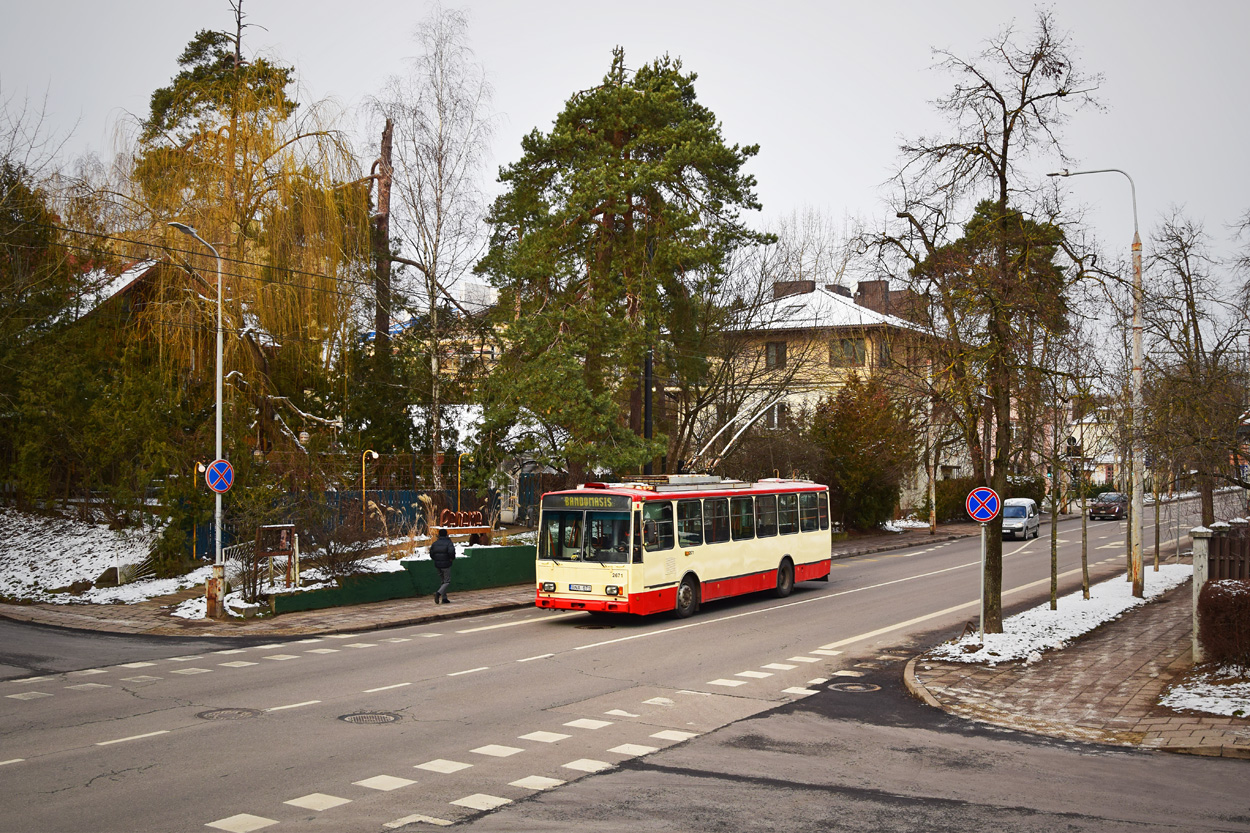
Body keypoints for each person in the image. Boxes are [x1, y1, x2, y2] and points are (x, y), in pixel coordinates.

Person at [430, 528, 456, 604]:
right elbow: (451, 552)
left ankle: (444, 598)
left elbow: (431, 554)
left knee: (443, 581)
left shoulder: (435, 543)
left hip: (438, 564)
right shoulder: (449, 543)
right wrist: (451, 558)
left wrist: (436, 559)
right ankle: (438, 593)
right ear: (446, 534)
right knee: (447, 581)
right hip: (446, 564)